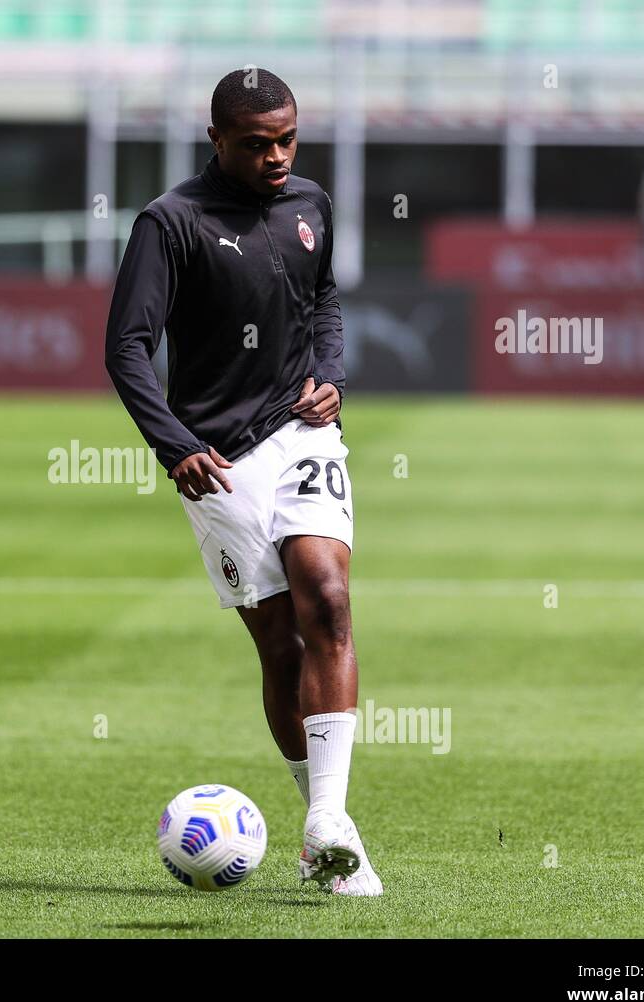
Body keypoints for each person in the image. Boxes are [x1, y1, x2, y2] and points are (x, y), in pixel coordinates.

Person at [104, 67, 381, 895]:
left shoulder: (311, 207)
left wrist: (330, 373)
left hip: (302, 431)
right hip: (217, 459)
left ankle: (331, 821)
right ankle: (322, 835)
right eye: (257, 144)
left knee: (326, 597)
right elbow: (127, 346)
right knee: (279, 643)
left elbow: (323, 299)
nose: (276, 157)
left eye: (287, 140)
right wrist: (173, 444)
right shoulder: (171, 222)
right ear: (216, 139)